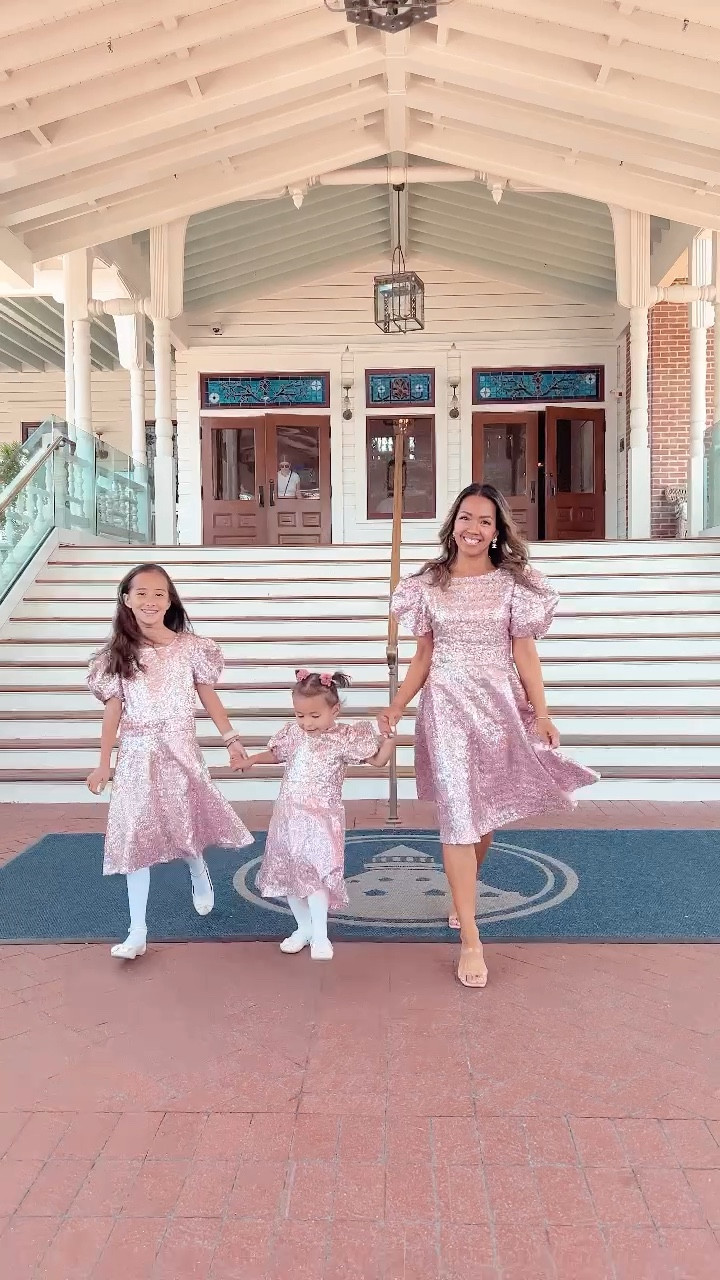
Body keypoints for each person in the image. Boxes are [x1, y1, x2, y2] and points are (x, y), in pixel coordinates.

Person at [379, 483, 598, 990]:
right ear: (452, 523)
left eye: (484, 521)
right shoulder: (427, 585)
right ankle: (471, 939)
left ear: (497, 531)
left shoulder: (514, 585)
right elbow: (422, 657)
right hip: (448, 710)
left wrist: (542, 712)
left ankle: (464, 893)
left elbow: (525, 653)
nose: (473, 529)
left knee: (485, 813)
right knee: (458, 815)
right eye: (465, 518)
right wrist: (396, 704)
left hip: (498, 708)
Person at [86, 563, 252, 960]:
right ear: (126, 599)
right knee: (134, 837)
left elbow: (207, 694)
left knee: (183, 823)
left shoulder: (191, 647)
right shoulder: (117, 655)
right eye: (141, 593)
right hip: (137, 754)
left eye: (159, 593)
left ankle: (198, 871)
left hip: (179, 749)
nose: (150, 600)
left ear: (170, 600)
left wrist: (231, 739)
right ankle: (137, 930)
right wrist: (104, 761)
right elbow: (113, 710)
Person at [238, 669, 396, 959]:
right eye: (300, 716)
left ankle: (321, 935)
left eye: (314, 716)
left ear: (334, 710)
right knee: (289, 875)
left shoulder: (345, 738)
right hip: (288, 816)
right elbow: (276, 754)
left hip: (323, 818)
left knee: (317, 874)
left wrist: (388, 738)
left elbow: (377, 761)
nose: (306, 723)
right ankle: (303, 928)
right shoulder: (293, 735)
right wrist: (252, 760)